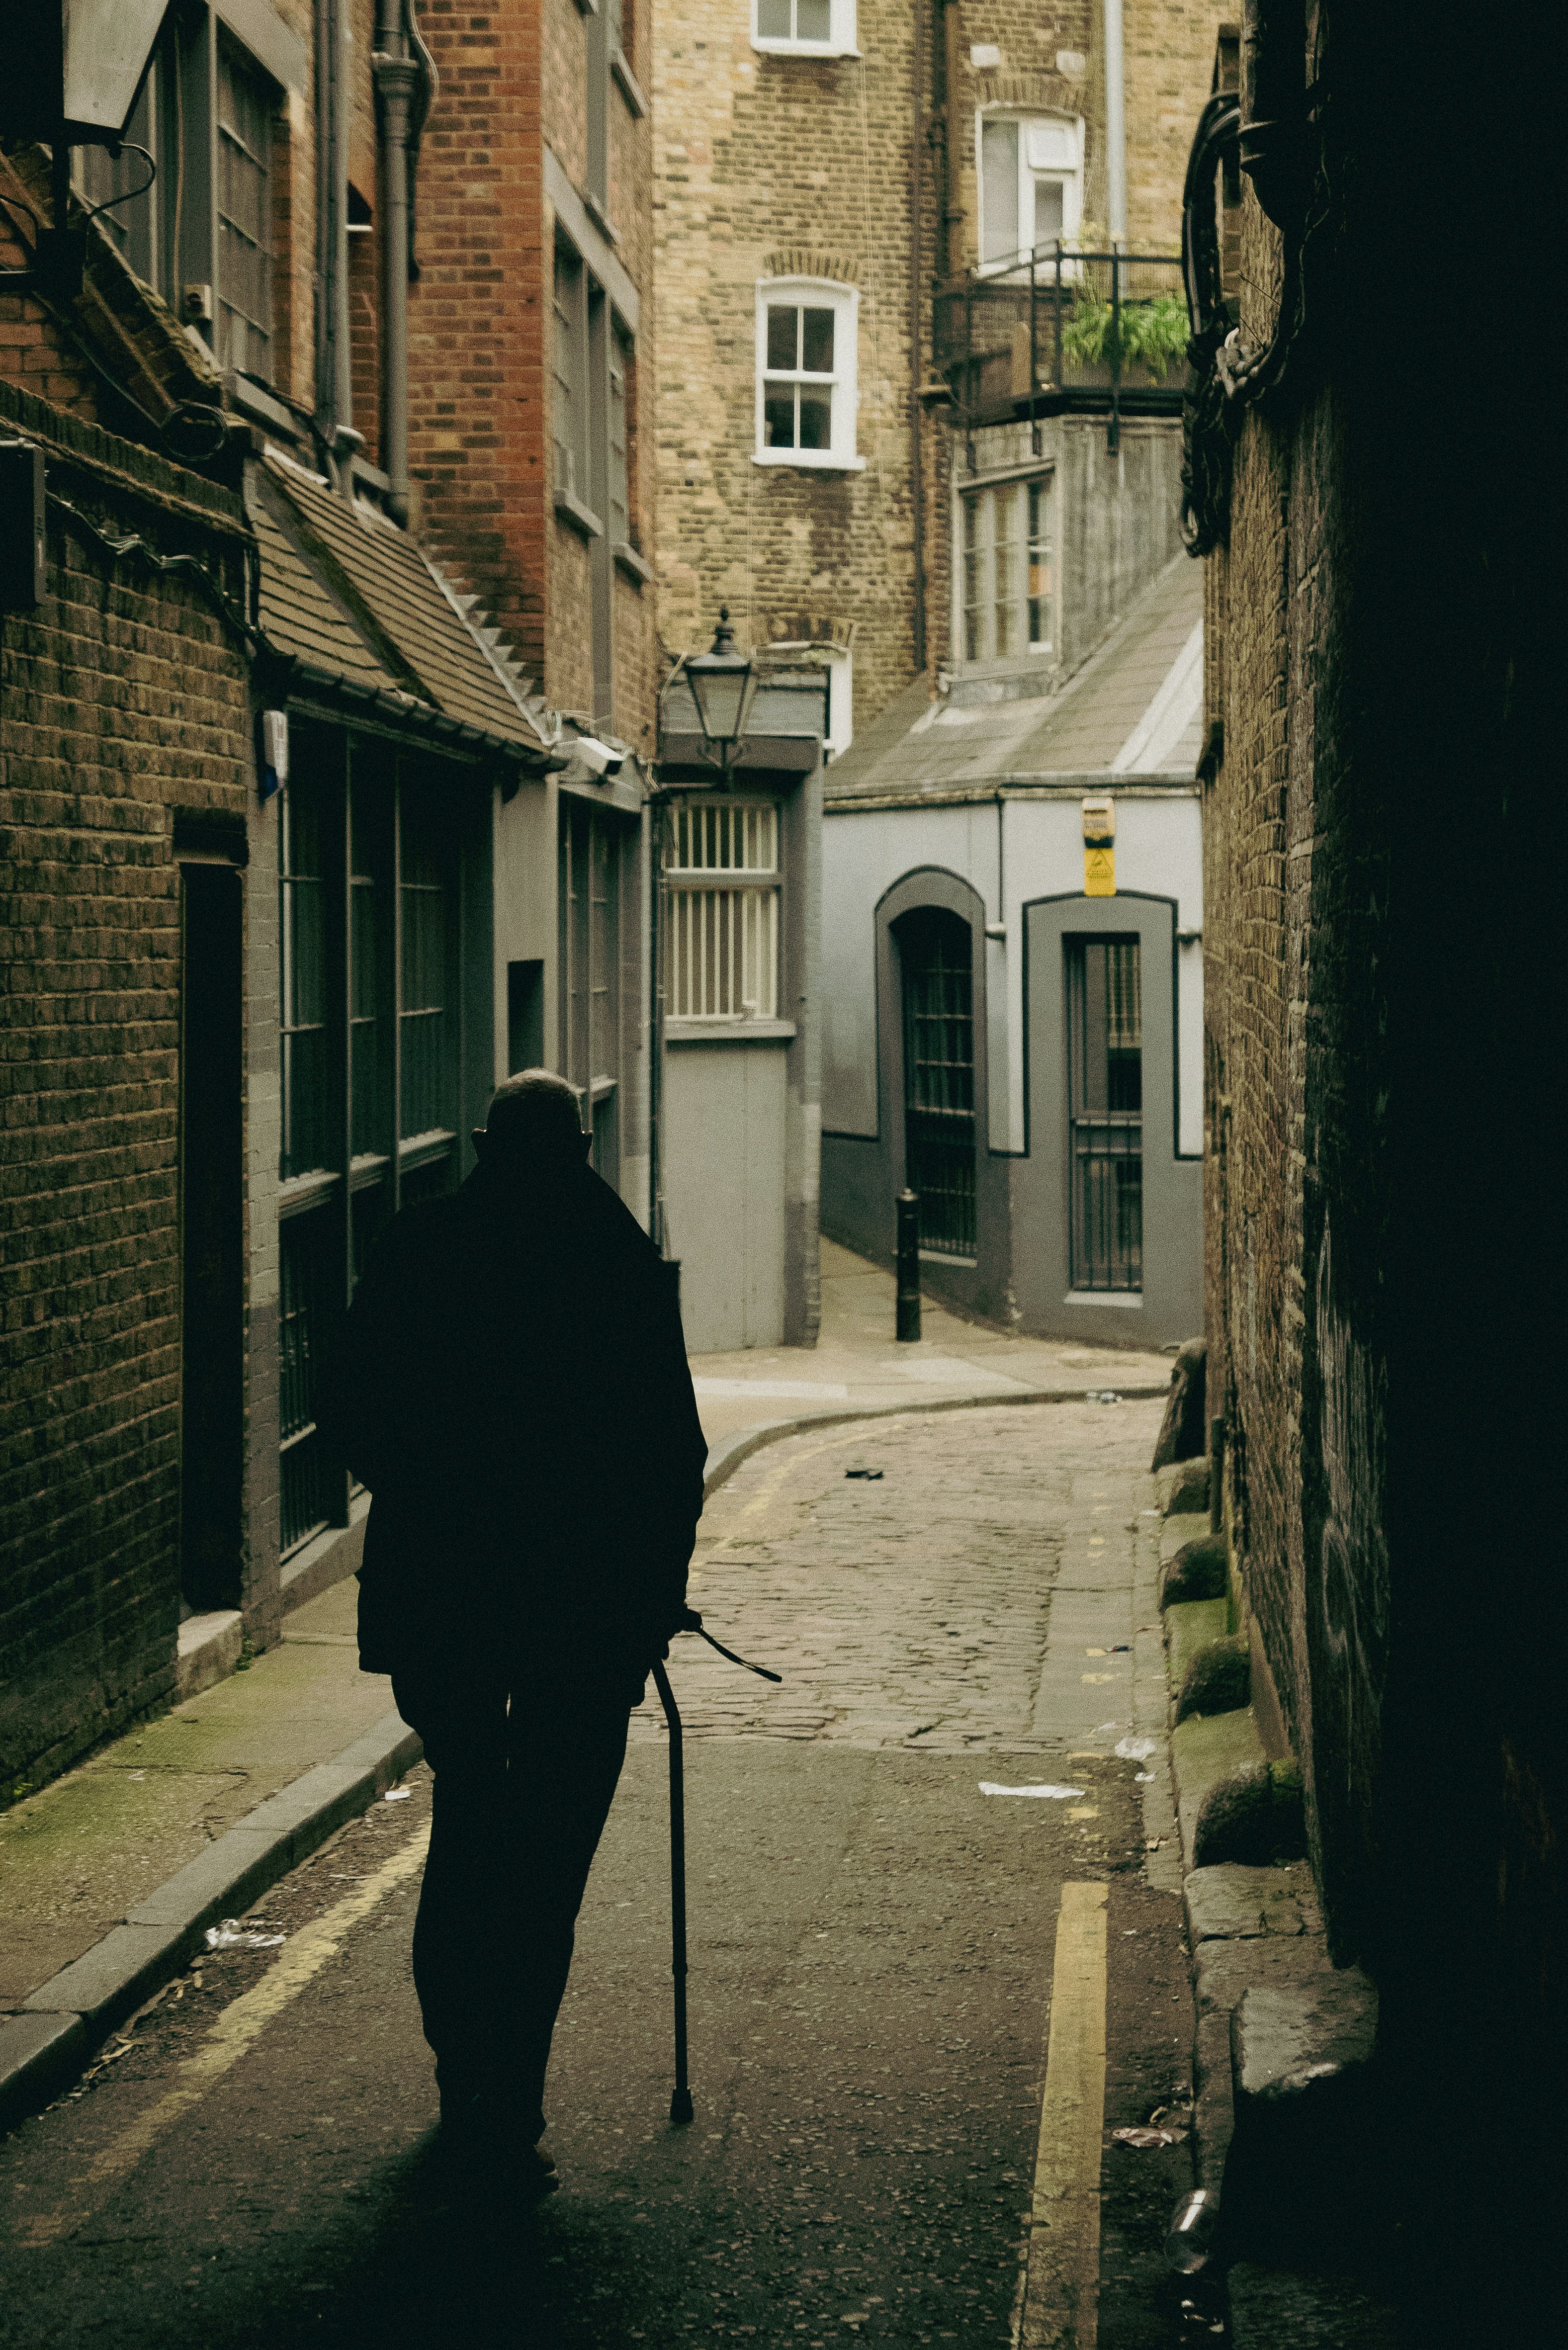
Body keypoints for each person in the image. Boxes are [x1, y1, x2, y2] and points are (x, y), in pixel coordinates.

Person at [317, 1071, 707, 2189]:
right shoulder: (616, 1256)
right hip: (580, 1618)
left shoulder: (417, 1242)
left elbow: (342, 1397)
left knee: (470, 1824)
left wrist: (421, 1486)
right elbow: (668, 1454)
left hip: (442, 1604)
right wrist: (653, 1592)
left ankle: (461, 2074)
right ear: (581, 1145)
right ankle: (510, 2100)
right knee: (542, 1866)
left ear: (485, 1142)